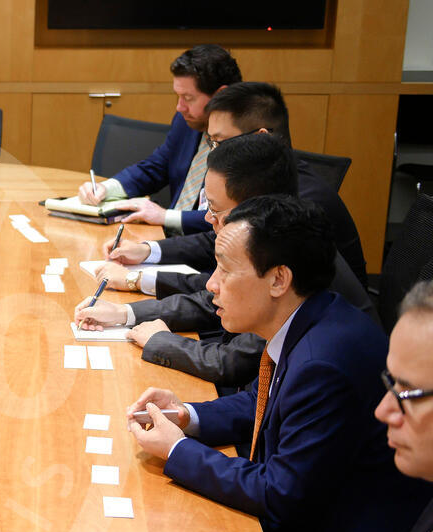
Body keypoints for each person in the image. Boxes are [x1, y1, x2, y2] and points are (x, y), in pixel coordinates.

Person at [125, 195, 432, 532]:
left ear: (278, 280)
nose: (212, 285)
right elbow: (260, 400)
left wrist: (177, 451)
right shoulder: (313, 317)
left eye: (225, 270)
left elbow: (279, 494)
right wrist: (187, 416)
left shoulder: (323, 361)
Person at [74, 134, 375, 389]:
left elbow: (233, 362)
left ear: (251, 208)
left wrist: (161, 339)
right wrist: (125, 312)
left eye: (215, 209)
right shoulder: (272, 234)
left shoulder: (287, 257)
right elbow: (214, 298)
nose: (207, 218)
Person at [98, 81, 368, 290]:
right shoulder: (261, 179)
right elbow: (216, 241)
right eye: (211, 143)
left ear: (261, 138)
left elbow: (238, 291)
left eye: (221, 142)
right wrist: (148, 250)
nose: (214, 154)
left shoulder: (299, 202)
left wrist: (137, 281)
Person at [77, 44, 241, 235]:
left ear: (220, 95)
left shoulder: (247, 141)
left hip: (208, 246)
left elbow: (231, 218)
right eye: (178, 97)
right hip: (168, 237)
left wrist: (164, 216)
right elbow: (157, 167)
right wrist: (106, 188)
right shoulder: (186, 121)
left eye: (188, 98)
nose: (180, 107)